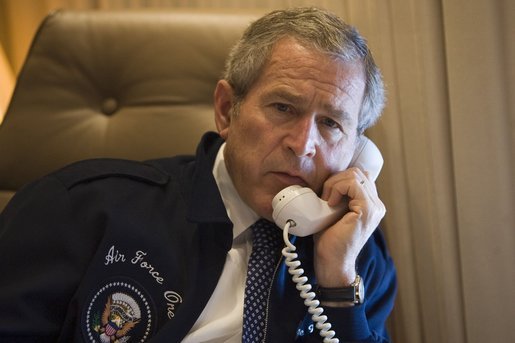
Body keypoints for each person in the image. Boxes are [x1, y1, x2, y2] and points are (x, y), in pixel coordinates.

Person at [0, 7, 396, 343]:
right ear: (226, 109)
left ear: (357, 152)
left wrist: (339, 283)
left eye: (331, 123)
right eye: (283, 108)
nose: (302, 143)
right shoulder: (77, 206)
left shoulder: (357, 256)